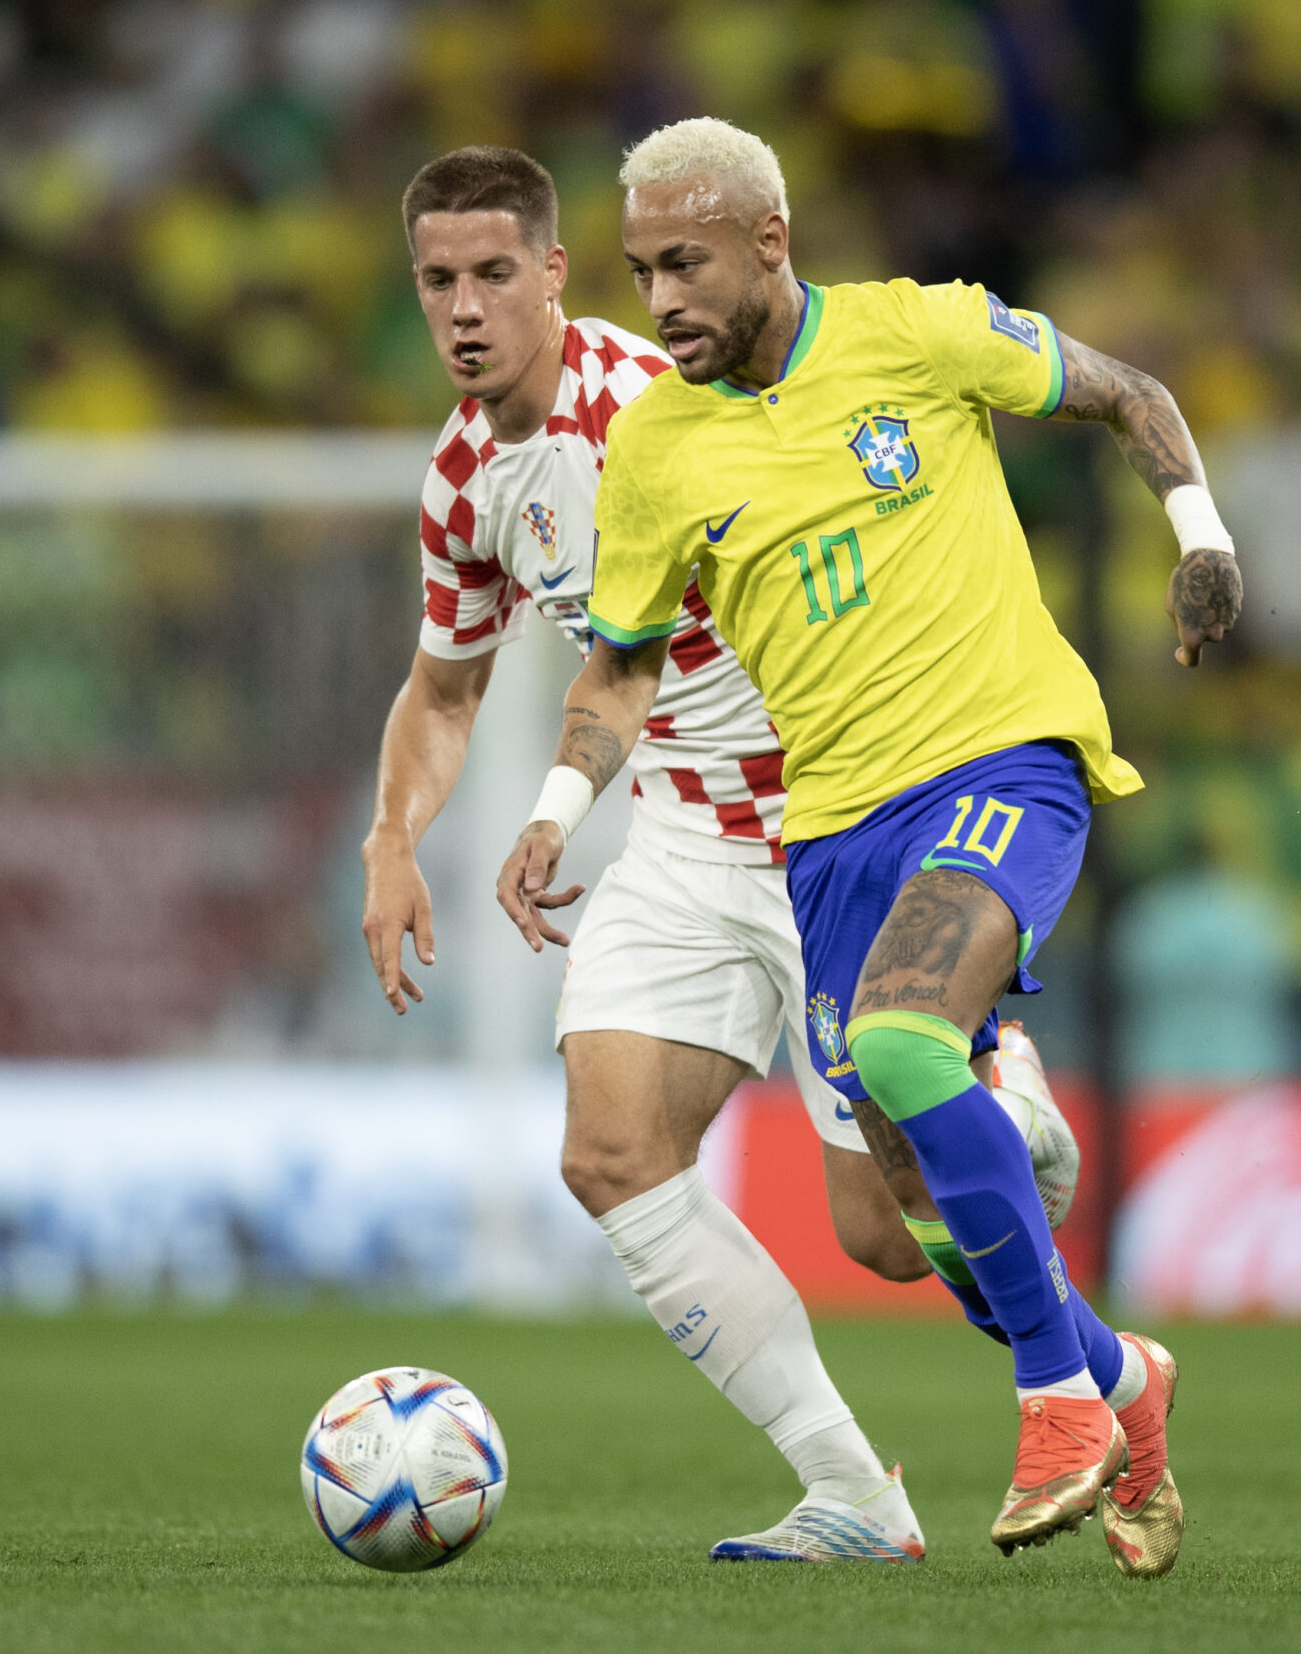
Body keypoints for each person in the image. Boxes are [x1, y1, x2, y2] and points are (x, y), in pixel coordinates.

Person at [498, 119, 1244, 1578]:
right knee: (909, 1228)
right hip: (829, 836)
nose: (663, 302)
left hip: (1000, 761)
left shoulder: (919, 333)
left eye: (690, 264)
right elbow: (625, 662)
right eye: (645, 271)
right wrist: (551, 811)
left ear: (772, 241)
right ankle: (1118, 1377)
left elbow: (1130, 392)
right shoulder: (661, 443)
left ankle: (1052, 1407)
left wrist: (1200, 537)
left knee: (905, 1041)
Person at [362, 147, 1080, 1564]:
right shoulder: (461, 480)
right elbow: (446, 689)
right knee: (611, 1148)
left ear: (555, 274)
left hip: (828, 824)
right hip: (687, 831)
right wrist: (395, 836)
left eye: (494, 273)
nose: (465, 308)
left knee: (883, 1235)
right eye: (438, 280)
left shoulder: (663, 403)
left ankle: (989, 1072)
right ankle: (856, 1492)